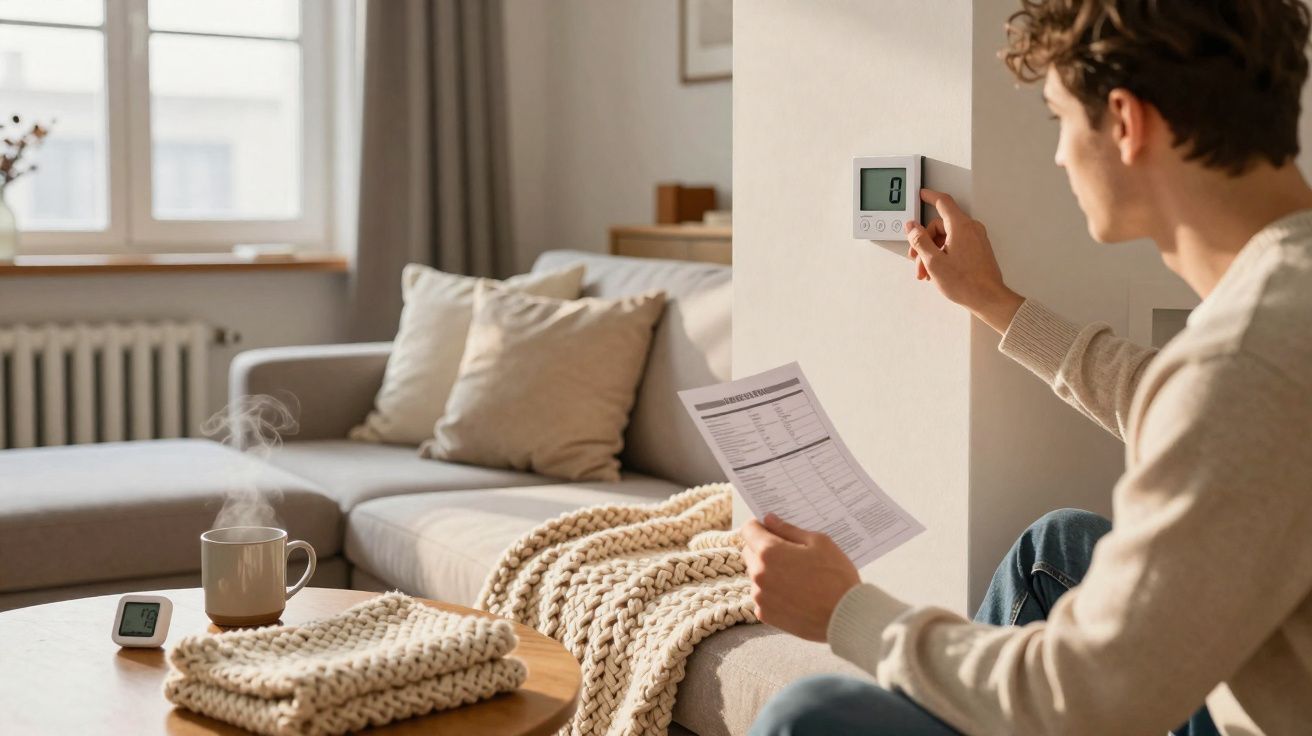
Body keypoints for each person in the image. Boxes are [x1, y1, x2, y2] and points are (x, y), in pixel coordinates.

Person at [742, 1, 1312, 734]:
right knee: (1058, 546)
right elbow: (1190, 409)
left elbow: (1082, 699)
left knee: (810, 713)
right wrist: (997, 304)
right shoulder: (1277, 316)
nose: (1059, 156)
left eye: (1059, 121)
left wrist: (847, 611)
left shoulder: (1243, 364)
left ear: (1126, 122)